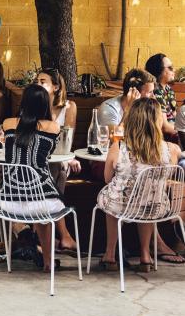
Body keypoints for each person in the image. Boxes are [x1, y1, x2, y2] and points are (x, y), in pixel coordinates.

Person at [96, 98, 182, 272]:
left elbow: (107, 178)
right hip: (157, 207)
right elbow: (166, 177)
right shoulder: (172, 149)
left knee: (112, 197)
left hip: (122, 207)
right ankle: (145, 256)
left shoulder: (118, 147)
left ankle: (110, 255)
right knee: (147, 201)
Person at [0, 84, 63, 272]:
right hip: (41, 203)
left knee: (38, 205)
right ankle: (48, 262)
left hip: (8, 202)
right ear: (45, 104)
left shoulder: (8, 123)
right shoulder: (53, 127)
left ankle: (28, 240)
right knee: (44, 211)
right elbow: (49, 154)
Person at [35, 68, 80, 251]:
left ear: (56, 87)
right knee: (53, 173)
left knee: (56, 169)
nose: (38, 85)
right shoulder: (35, 105)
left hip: (61, 156)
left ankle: (44, 235)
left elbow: (67, 140)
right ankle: (63, 235)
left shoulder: (69, 107)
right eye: (37, 81)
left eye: (42, 81)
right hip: (40, 159)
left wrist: (70, 158)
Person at [145, 53, 178, 138]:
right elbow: (165, 127)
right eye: (170, 68)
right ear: (159, 70)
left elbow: (175, 116)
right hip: (162, 138)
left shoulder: (169, 90)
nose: (174, 70)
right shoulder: (154, 92)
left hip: (175, 133)